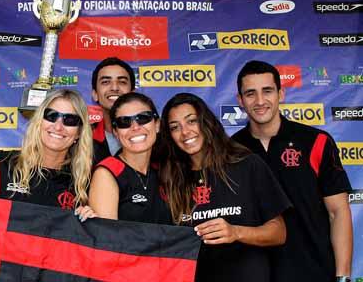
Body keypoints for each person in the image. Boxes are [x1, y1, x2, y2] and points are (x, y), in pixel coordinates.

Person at [232, 60, 353, 282]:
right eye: (250, 93)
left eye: (267, 91)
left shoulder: (316, 141)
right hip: (253, 274)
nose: (260, 101)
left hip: (313, 273)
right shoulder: (230, 151)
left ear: (281, 93)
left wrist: (343, 277)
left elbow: (338, 213)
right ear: (240, 101)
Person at [159, 92, 291, 282]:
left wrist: (236, 232)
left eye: (191, 121)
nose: (185, 132)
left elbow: (279, 232)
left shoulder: (247, 165)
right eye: (175, 127)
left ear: (206, 122)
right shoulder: (170, 178)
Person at [0, 89, 95, 217]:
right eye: (51, 116)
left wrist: (88, 220)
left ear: (79, 132)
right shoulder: (1, 164)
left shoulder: (83, 182)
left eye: (70, 120)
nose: (58, 127)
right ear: (39, 121)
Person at [88, 92, 172, 224]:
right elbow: (106, 239)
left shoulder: (165, 169)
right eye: (124, 122)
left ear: (157, 125)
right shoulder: (107, 172)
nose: (135, 127)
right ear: (116, 132)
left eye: (143, 118)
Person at [91, 57, 136, 165]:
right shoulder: (84, 138)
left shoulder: (151, 136)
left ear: (133, 93)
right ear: (95, 94)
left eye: (122, 82)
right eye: (106, 82)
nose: (114, 87)